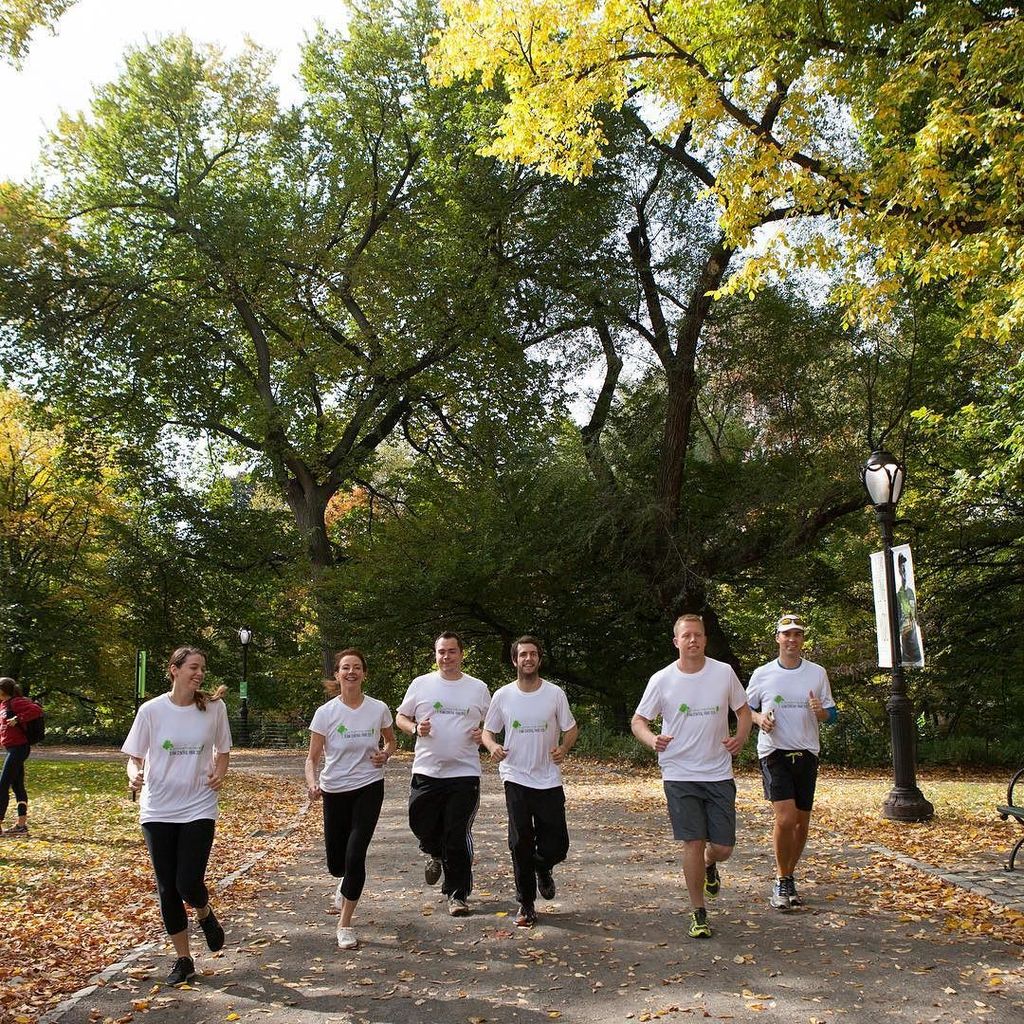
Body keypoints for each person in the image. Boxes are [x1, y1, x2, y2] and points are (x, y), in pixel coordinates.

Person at [631, 614, 751, 940]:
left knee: (722, 847)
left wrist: (740, 738)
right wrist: (651, 739)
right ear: (676, 641)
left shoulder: (723, 673)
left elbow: (742, 711)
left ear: (705, 639)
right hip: (679, 772)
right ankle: (698, 911)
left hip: (718, 771)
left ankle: (712, 864)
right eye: (687, 636)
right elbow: (638, 720)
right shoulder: (662, 679)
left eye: (698, 635)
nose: (693, 641)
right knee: (693, 842)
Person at [122, 647, 231, 986]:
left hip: (198, 805)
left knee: (187, 881)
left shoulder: (214, 708)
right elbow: (134, 757)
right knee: (167, 887)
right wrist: (133, 774)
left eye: (202, 668)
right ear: (174, 670)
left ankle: (204, 912)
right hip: (157, 808)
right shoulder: (151, 710)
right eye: (193, 668)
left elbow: (223, 751)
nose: (199, 674)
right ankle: (183, 959)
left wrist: (220, 774)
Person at [482, 636, 578, 927]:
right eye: (522, 655)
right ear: (515, 660)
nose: (528, 659)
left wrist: (563, 748)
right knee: (520, 841)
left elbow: (571, 729)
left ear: (539, 659)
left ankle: (543, 867)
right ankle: (525, 904)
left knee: (558, 844)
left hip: (548, 777)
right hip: (515, 776)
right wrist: (492, 747)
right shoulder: (503, 695)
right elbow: (488, 732)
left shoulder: (554, 694)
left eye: (533, 654)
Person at [305, 648, 396, 950]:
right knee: (337, 863)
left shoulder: (378, 708)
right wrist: (313, 782)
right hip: (335, 789)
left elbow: (391, 741)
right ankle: (341, 881)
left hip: (369, 786)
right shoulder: (326, 713)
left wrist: (385, 754)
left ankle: (344, 924)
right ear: (337, 674)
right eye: (345, 668)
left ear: (364, 673)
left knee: (355, 854)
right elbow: (312, 758)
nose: (351, 672)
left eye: (357, 667)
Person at [395, 631, 491, 917]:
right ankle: (434, 852)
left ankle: (457, 894)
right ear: (435, 655)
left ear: (461, 654)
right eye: (441, 652)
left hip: (464, 773)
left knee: (457, 834)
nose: (446, 657)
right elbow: (400, 717)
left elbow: (495, 722)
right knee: (419, 821)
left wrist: (483, 734)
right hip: (426, 770)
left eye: (452, 651)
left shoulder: (478, 688)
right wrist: (414, 729)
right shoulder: (421, 684)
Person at [746, 613, 837, 910]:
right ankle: (782, 879)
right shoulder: (762, 674)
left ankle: (787, 875)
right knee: (785, 818)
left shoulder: (817, 673)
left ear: (802, 639)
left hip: (807, 751)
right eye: (786, 634)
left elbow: (831, 714)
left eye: (797, 634)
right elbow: (745, 711)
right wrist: (761, 720)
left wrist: (819, 711)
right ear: (777, 638)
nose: (792, 639)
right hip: (774, 752)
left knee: (801, 824)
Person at [0, 677, 44, 836]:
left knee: (2, 784)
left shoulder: (17, 702)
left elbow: (37, 710)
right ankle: (21, 825)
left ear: (3, 690)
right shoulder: (3, 704)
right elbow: (4, 727)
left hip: (19, 749)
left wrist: (18, 718)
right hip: (12, 748)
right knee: (17, 786)